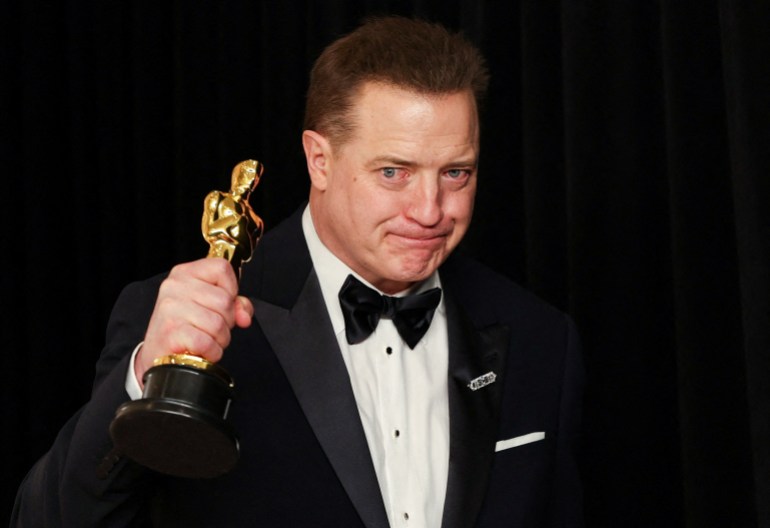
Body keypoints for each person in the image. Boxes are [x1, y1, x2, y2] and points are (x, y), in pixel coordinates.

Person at [12, 16, 584, 527]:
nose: (431, 210)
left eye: (456, 173)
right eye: (394, 172)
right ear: (320, 159)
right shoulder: (186, 321)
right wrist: (143, 376)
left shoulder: (539, 338)